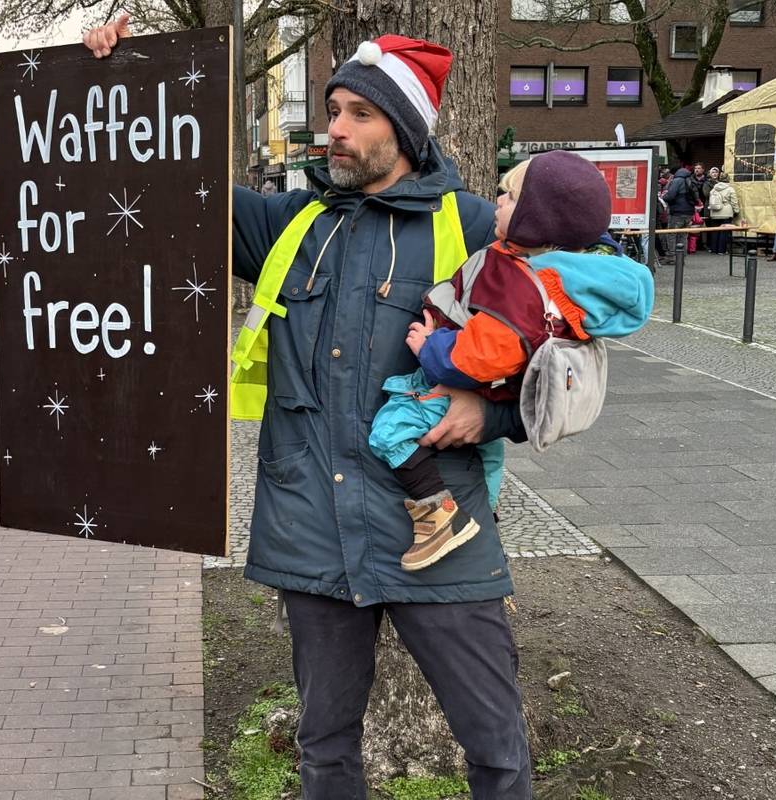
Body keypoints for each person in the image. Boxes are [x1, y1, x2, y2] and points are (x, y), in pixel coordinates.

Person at [86, 19, 535, 799]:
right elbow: (158, 184)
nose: (337, 130)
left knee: (497, 749)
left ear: (406, 130)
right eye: (333, 111)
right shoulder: (289, 226)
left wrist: (486, 414)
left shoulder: (470, 228)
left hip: (440, 532)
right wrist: (114, 78)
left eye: (360, 114)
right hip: (313, 531)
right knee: (325, 750)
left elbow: (561, 371)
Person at [368, 151, 652, 572]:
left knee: (388, 432)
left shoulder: (523, 286)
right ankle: (487, 514)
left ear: (538, 219)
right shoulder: (570, 268)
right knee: (489, 456)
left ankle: (437, 515)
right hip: (501, 391)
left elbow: (473, 359)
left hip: (464, 384)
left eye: (511, 196)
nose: (497, 201)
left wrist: (430, 346)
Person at [660, 165, 699, 264]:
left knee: (672, 234)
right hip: (689, 212)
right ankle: (681, 257)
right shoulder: (690, 179)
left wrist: (663, 197)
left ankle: (671, 257)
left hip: (677, 212)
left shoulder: (677, 180)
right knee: (683, 235)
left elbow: (670, 196)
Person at [706, 171, 740, 255]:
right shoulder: (730, 189)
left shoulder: (714, 189)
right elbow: (734, 202)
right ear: (728, 179)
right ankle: (721, 250)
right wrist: (736, 211)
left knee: (715, 231)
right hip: (726, 213)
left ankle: (714, 249)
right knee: (724, 232)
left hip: (714, 212)